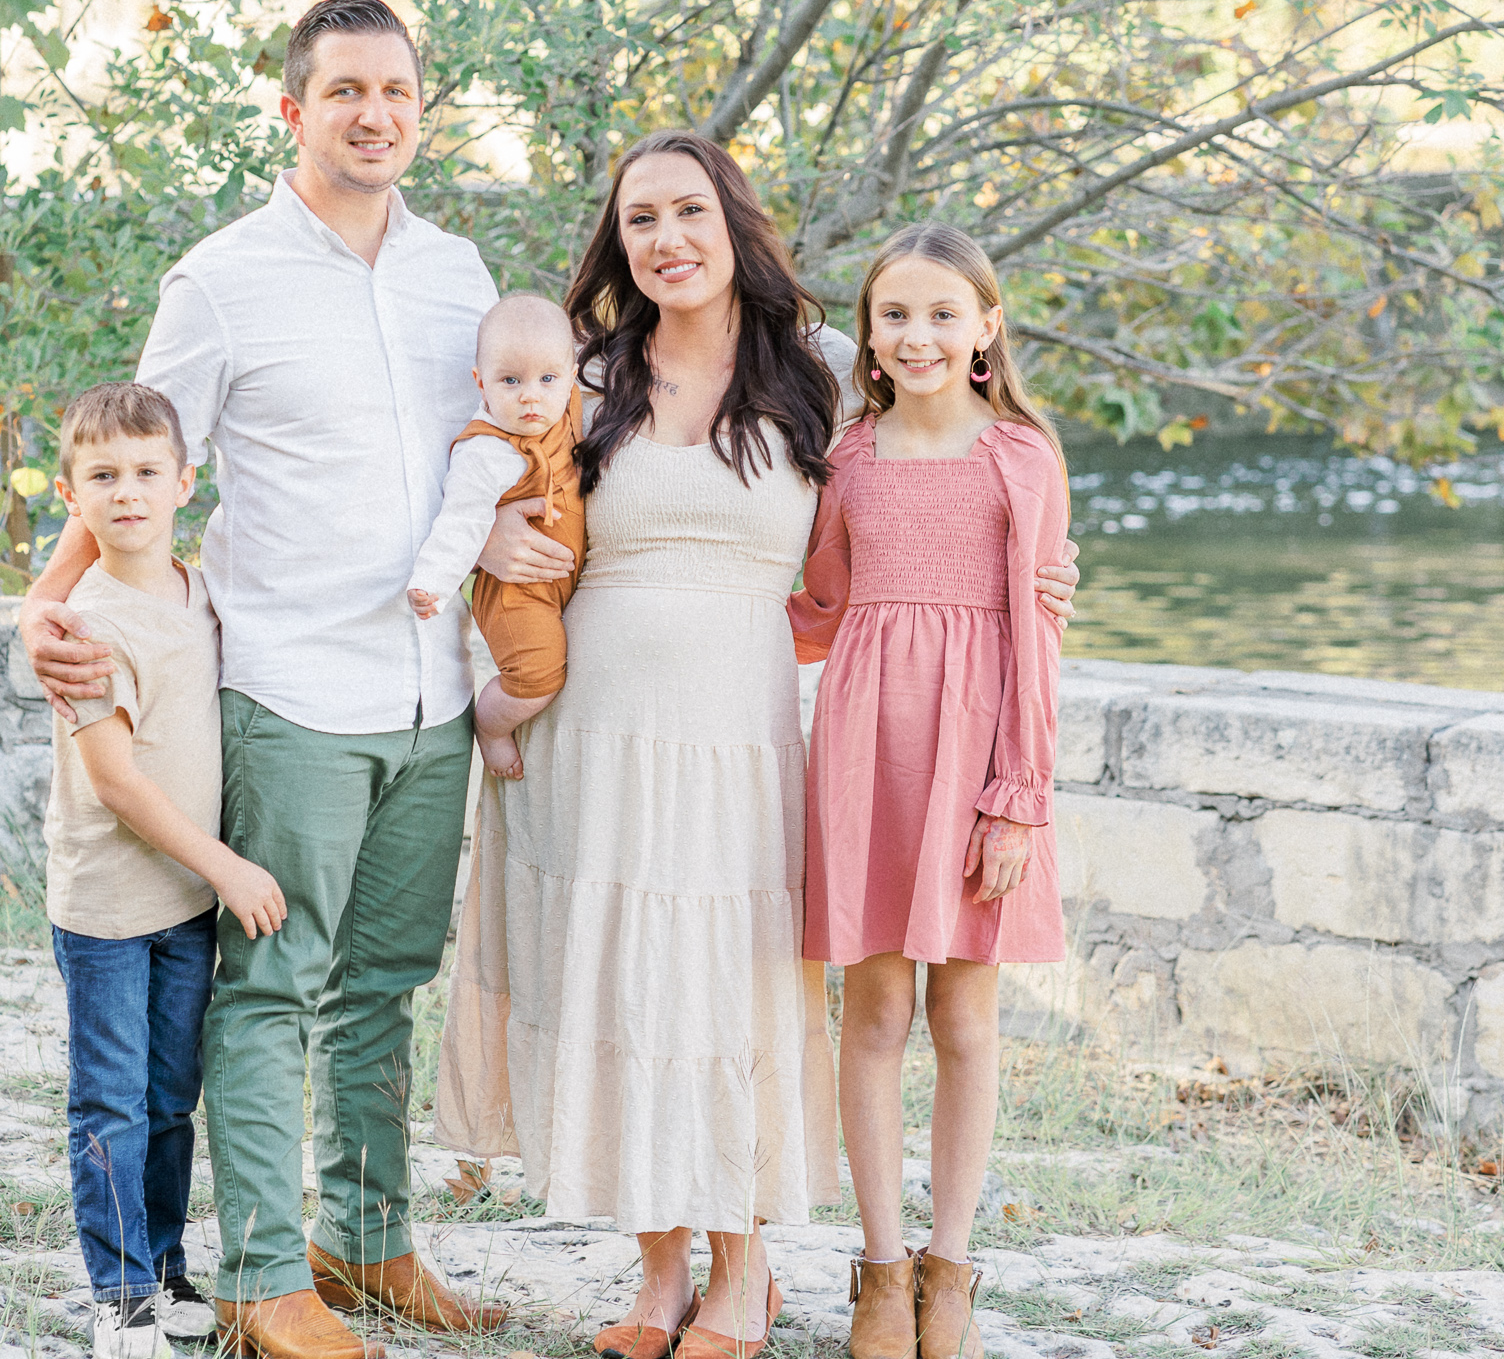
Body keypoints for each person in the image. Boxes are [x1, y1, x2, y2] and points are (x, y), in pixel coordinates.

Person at [434, 132, 1079, 1359]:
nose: (666, 239)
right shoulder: (582, 373)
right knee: (621, 977)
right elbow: (492, 493)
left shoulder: (820, 369)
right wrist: (486, 551)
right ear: (617, 244)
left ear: (732, 221)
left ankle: (745, 1268)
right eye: (640, 221)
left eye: (689, 211)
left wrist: (1036, 576)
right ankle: (658, 1273)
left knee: (730, 984)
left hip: (741, 720)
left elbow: (922, 494)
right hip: (595, 720)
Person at [22, 0, 507, 1359]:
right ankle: (257, 1277)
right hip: (290, 690)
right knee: (277, 984)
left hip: (434, 692)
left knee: (385, 984)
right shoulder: (220, 279)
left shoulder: (459, 275)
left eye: (398, 90)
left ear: (424, 108)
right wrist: (48, 602)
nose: (375, 113)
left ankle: (368, 1239)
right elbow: (135, 459)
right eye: (344, 89)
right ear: (292, 110)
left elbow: (500, 445)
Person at [789, 224, 1070, 1359]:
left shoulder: (1021, 459)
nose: (919, 335)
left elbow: (1036, 639)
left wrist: (1018, 796)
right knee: (873, 1010)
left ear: (987, 327)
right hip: (864, 749)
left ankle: (950, 1267)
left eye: (944, 314)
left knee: (962, 1014)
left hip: (978, 758)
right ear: (867, 332)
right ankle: (880, 1262)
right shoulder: (846, 459)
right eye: (895, 315)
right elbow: (813, 610)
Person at [41, 382, 288, 1359]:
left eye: (147, 472)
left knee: (168, 1095)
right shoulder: (85, 627)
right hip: (108, 904)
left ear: (186, 482)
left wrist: (208, 879)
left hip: (183, 902)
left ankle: (167, 1267)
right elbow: (116, 783)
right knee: (109, 1097)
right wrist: (229, 865)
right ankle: (121, 1296)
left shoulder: (196, 591)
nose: (128, 491)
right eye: (103, 476)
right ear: (72, 494)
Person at [406, 295, 585, 780]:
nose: (531, 396)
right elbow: (460, 521)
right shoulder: (486, 451)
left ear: (571, 375)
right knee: (539, 674)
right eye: (511, 381)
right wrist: (434, 584)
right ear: (480, 383)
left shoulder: (568, 410)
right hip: (516, 593)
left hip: (561, 582)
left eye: (547, 379)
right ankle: (491, 726)